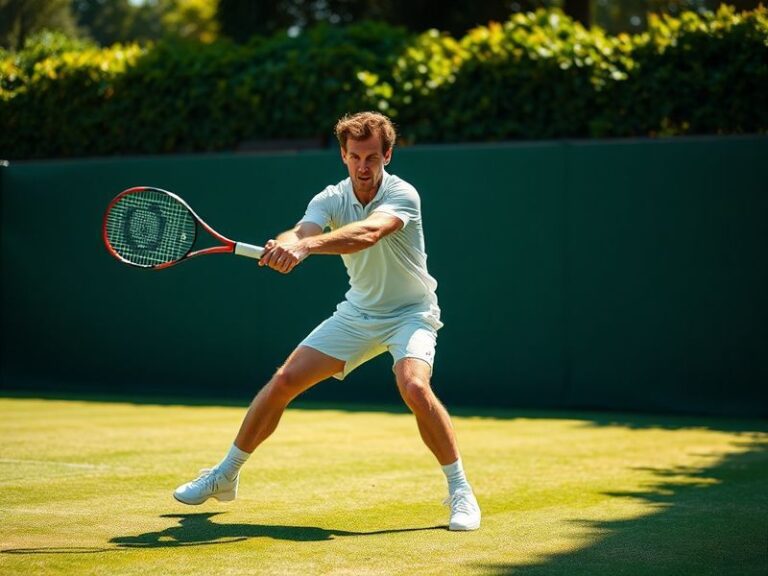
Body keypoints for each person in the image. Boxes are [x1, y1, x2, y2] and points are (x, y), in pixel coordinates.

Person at [173, 111, 481, 531]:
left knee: (413, 384)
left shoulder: (403, 194)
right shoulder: (331, 197)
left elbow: (368, 233)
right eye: (355, 156)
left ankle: (460, 491)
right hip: (358, 313)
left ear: (387, 155)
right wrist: (285, 246)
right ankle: (225, 474)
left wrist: (308, 247)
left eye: (372, 157)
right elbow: (301, 231)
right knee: (284, 380)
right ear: (343, 155)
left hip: (411, 313)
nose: (363, 166)